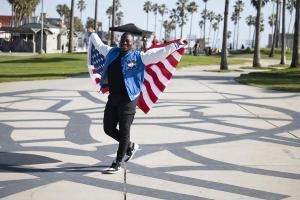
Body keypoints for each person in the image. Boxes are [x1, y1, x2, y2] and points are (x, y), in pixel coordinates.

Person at [89, 32, 187, 173]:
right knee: (108, 128)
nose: (124, 43)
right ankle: (130, 146)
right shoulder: (111, 52)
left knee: (124, 130)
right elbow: (99, 45)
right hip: (114, 97)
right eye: (123, 40)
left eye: (128, 41)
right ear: (119, 41)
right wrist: (92, 33)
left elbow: (159, 54)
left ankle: (117, 162)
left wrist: (176, 44)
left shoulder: (139, 57)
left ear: (132, 44)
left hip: (129, 98)